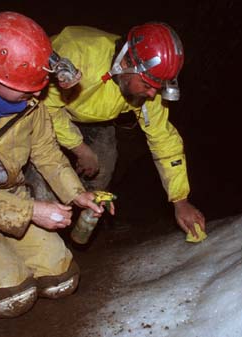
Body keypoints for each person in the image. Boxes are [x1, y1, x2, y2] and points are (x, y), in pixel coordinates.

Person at [0, 11, 110, 318]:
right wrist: (31, 212)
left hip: (12, 197)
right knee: (14, 297)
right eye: (30, 84)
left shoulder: (29, 104)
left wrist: (78, 195)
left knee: (62, 281)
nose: (39, 91)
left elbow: (47, 154)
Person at [42, 22, 205, 237]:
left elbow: (163, 139)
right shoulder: (77, 53)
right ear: (127, 63)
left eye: (158, 88)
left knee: (104, 162)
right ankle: (41, 223)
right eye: (147, 85)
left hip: (94, 118)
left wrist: (180, 201)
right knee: (43, 172)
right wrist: (79, 148)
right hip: (41, 110)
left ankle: (75, 225)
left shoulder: (150, 88)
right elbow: (45, 109)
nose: (151, 95)